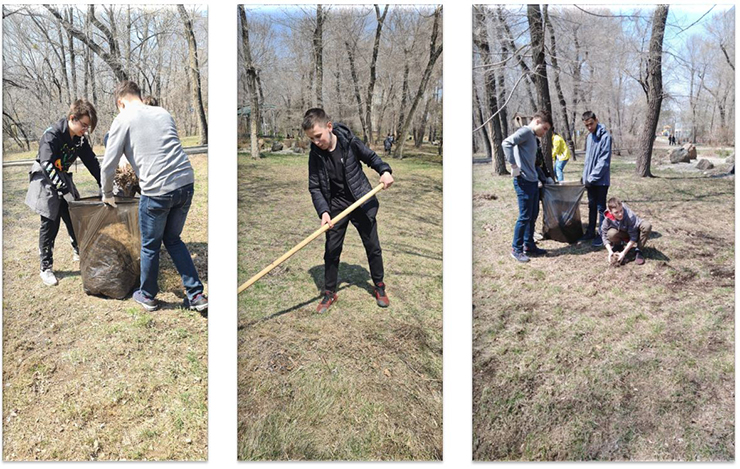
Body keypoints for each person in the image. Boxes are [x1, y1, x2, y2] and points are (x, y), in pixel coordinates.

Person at [100, 81, 207, 313]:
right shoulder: (163, 112)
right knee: (173, 239)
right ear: (139, 96)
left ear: (120, 102)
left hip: (157, 191)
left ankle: (147, 295)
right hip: (185, 183)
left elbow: (108, 165)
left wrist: (107, 193)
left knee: (150, 246)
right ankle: (196, 294)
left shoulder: (123, 118)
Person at [303, 108, 394, 313]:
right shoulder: (315, 154)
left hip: (361, 199)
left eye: (318, 136)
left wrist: (385, 171)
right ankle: (329, 292)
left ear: (329, 127)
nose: (316, 142)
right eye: (311, 139)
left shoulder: (349, 142)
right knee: (331, 250)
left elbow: (372, 158)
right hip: (336, 205)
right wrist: (324, 212)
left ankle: (379, 286)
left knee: (373, 246)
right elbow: (315, 186)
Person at [25, 99, 102, 286]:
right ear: (72, 118)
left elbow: (91, 161)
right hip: (45, 178)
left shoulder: (79, 139)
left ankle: (79, 250)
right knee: (50, 221)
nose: (85, 130)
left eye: (88, 127)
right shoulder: (52, 134)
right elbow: (46, 165)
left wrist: (103, 183)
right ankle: (46, 266)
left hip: (62, 175)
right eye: (84, 125)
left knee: (74, 215)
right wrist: (63, 190)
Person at [502, 110, 553, 262]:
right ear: (537, 121)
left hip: (532, 181)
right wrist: (513, 165)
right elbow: (506, 143)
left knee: (533, 214)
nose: (544, 133)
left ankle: (529, 245)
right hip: (523, 181)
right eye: (544, 128)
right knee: (524, 217)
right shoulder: (524, 132)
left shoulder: (532, 137)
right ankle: (516, 249)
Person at [580, 111, 611, 248]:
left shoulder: (606, 137)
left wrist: (592, 178)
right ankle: (590, 231)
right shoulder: (589, 137)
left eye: (591, 124)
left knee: (600, 207)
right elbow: (588, 160)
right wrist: (585, 176)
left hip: (601, 180)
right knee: (591, 206)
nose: (589, 127)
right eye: (586, 125)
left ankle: (601, 234)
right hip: (590, 180)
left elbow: (604, 161)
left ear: (596, 120)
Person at [601, 197, 652, 266]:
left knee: (647, 226)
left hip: (635, 230)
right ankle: (618, 245)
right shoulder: (607, 217)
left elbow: (634, 236)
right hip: (624, 231)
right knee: (611, 233)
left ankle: (638, 250)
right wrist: (610, 251)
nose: (620, 214)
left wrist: (624, 253)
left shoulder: (630, 216)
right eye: (616, 212)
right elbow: (603, 234)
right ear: (610, 212)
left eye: (621, 210)